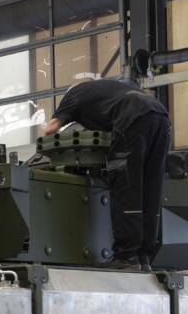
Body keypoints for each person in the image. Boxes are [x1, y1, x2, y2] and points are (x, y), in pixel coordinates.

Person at [44, 78, 171, 270]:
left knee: (127, 188)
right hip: (161, 116)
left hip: (132, 118)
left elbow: (50, 129)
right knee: (150, 189)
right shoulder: (109, 88)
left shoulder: (74, 94)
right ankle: (144, 257)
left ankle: (127, 256)